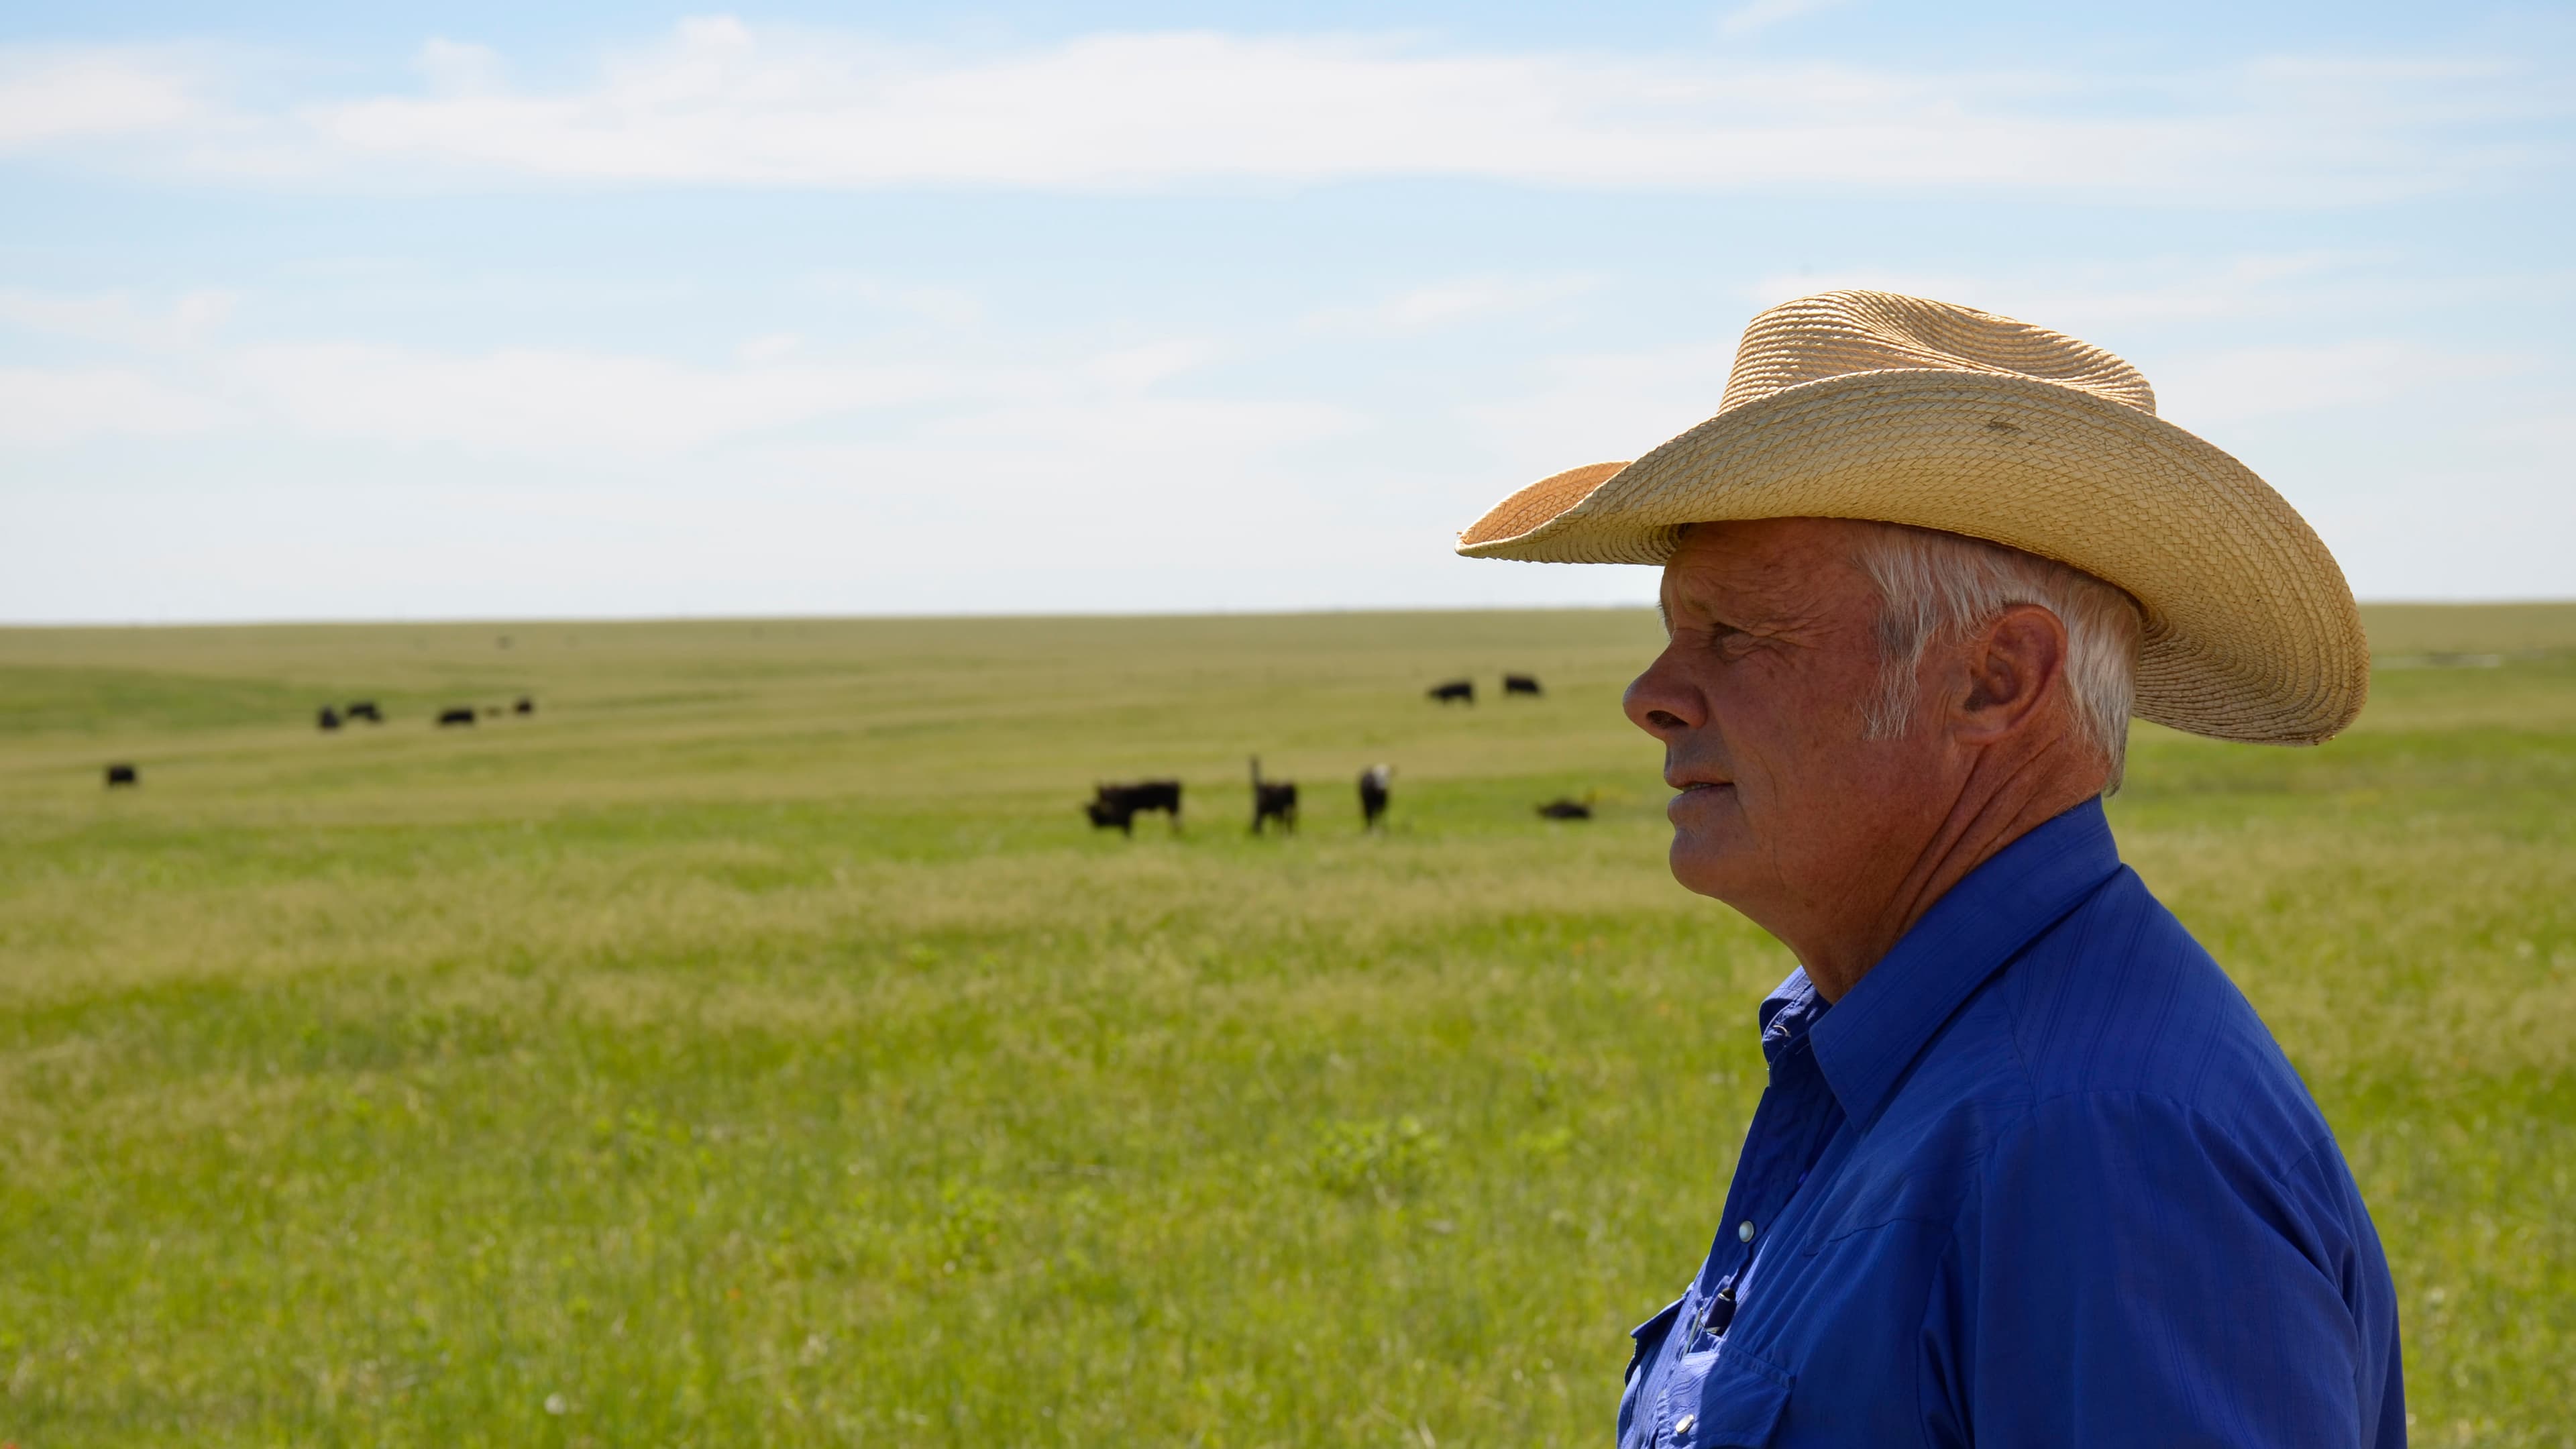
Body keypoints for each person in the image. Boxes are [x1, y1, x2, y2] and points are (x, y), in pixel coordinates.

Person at [1456, 290, 2402, 1446]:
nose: (1650, 697)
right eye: (1674, 631)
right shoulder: (1928, 1054)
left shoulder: (2093, 1144)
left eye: (1738, 635)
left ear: (1995, 679)